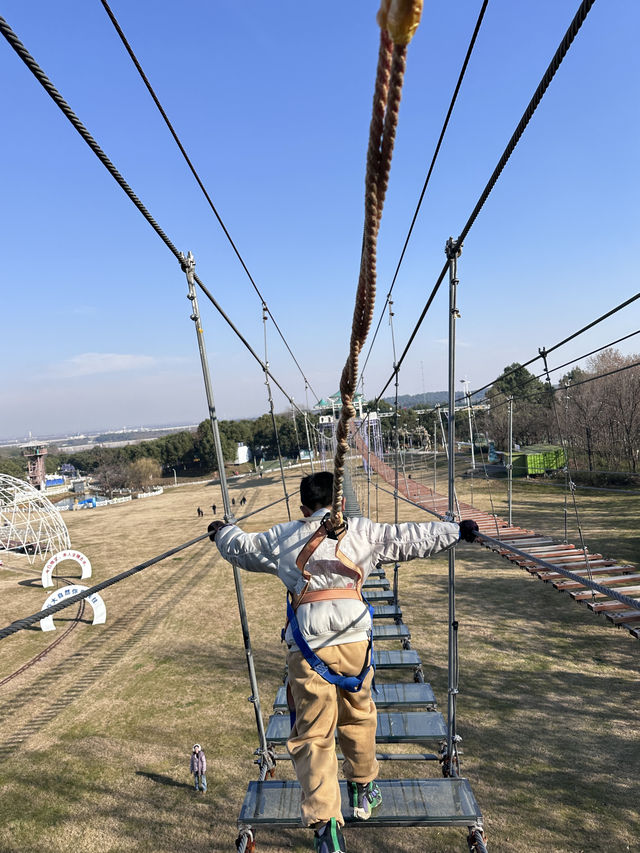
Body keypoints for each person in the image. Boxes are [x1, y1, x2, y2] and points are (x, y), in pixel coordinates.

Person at [209, 471, 478, 853]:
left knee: (314, 735)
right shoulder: (362, 531)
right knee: (359, 715)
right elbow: (410, 538)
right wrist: (455, 531)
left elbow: (242, 548)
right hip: (355, 641)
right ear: (341, 504)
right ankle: (364, 788)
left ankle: (327, 827)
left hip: (308, 648)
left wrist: (222, 531)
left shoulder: (284, 535)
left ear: (303, 508)